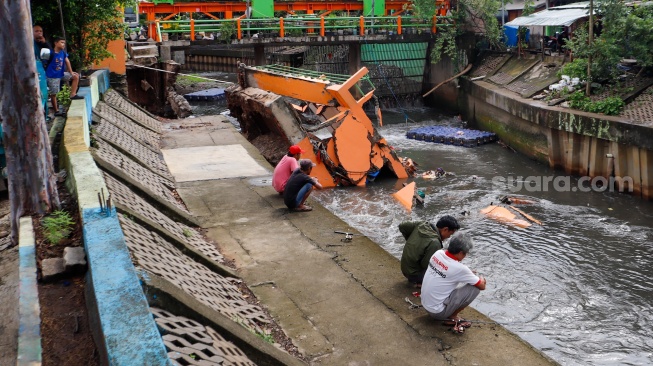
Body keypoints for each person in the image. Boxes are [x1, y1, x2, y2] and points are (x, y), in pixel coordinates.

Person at [420, 232, 486, 333]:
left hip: (425, 304)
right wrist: (481, 277)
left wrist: (467, 274)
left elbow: (447, 270)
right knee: (475, 288)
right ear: (460, 252)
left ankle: (449, 313)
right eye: (465, 253)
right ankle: (452, 316)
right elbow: (482, 286)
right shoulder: (460, 269)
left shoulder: (438, 253)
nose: (465, 256)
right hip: (437, 312)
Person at [399, 215, 460, 286]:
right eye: (450, 234)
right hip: (413, 274)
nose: (449, 237)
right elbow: (427, 265)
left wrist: (410, 240)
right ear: (445, 229)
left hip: (404, 267)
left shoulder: (422, 224)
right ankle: (420, 283)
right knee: (443, 274)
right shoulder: (435, 242)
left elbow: (402, 226)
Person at [45, 36, 83, 117]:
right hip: (52, 76)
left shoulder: (62, 52)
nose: (63, 45)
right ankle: (56, 111)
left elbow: (67, 61)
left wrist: (71, 72)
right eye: (62, 42)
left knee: (75, 76)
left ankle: (73, 94)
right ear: (56, 43)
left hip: (61, 74)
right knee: (54, 93)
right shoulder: (51, 53)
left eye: (64, 43)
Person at [33, 25, 50, 116]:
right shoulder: (29, 43)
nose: (39, 33)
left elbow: (49, 54)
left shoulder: (42, 43)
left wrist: (44, 43)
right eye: (36, 31)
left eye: (40, 31)